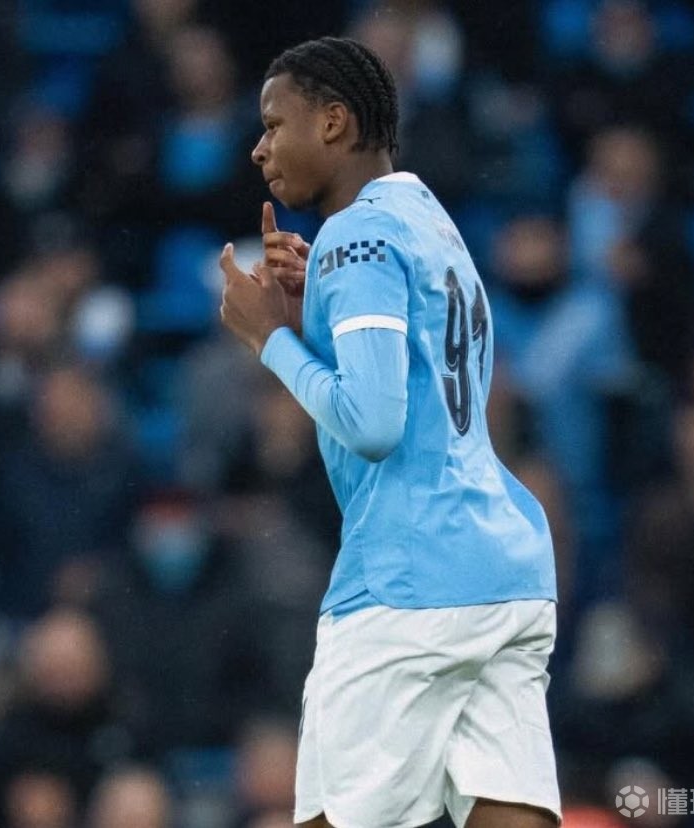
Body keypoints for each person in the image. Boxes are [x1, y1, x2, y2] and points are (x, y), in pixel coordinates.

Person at [219, 37, 559, 828]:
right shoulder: (429, 223)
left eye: (275, 124)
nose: (259, 148)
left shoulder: (355, 236)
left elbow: (373, 425)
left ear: (334, 122)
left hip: (408, 581)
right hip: (504, 574)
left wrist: (269, 338)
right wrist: (316, 311)